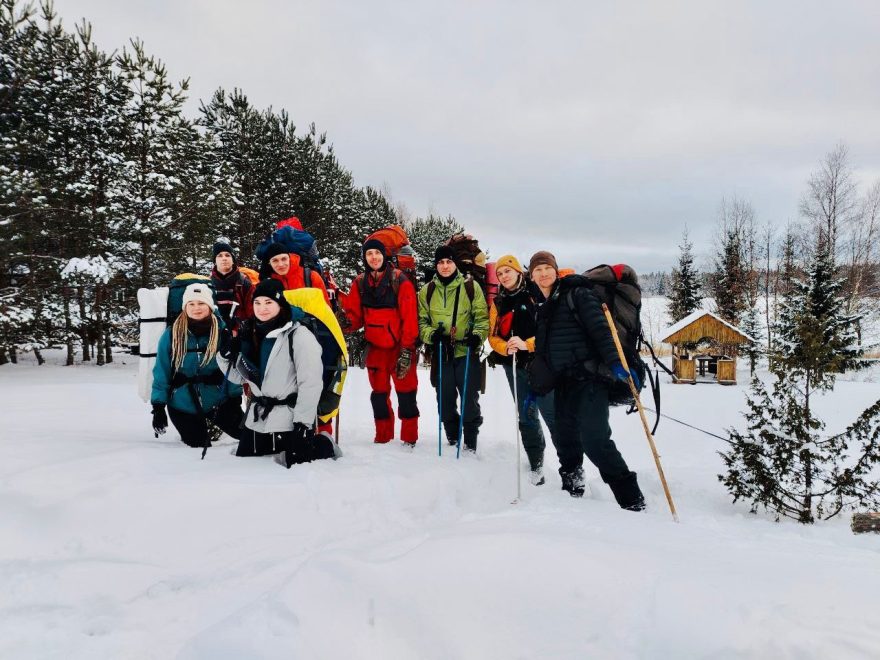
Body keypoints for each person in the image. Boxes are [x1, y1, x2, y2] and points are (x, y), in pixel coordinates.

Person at [529, 250, 646, 510]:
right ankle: (572, 490)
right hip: (564, 383)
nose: (543, 273)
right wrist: (535, 388)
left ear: (556, 270)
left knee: (595, 440)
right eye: (537, 270)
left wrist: (617, 363)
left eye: (547, 267)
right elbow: (544, 353)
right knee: (566, 439)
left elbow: (602, 332)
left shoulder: (578, 295)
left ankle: (632, 501)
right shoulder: (544, 307)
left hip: (591, 379)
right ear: (531, 275)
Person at [216, 278, 340, 466]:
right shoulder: (250, 334)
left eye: (268, 302)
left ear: (280, 304)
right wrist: (224, 356)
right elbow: (239, 378)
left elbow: (311, 383)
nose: (262, 308)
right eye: (257, 303)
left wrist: (303, 423)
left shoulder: (299, 335)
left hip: (289, 417)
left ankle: (324, 444)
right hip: (257, 417)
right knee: (245, 463)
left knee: (292, 464)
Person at [339, 238, 419, 445]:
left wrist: (407, 350)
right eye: (369, 254)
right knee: (379, 396)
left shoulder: (400, 280)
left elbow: (410, 318)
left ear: (384, 255)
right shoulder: (360, 283)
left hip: (400, 348)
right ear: (365, 258)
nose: (374, 257)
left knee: (407, 395)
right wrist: (344, 322)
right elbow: (355, 317)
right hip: (375, 349)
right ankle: (383, 438)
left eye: (377, 253)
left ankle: (409, 439)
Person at [488, 255, 555, 485]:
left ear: (518, 271)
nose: (504, 276)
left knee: (553, 415)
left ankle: (571, 466)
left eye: (508, 271)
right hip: (513, 365)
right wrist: (504, 347)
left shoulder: (537, 293)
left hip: (541, 364)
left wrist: (529, 344)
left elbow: (552, 330)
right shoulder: (498, 302)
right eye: (500, 273)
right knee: (526, 416)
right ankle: (536, 463)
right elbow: (493, 335)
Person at [150, 284, 243, 448]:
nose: (196, 308)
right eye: (191, 304)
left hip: (219, 400)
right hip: (183, 404)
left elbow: (232, 368)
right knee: (198, 445)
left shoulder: (222, 333)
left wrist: (235, 398)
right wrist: (158, 407)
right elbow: (161, 371)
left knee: (249, 436)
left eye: (201, 303)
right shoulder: (172, 334)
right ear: (185, 307)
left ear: (209, 306)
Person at [418, 246, 489, 452]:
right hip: (442, 353)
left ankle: (470, 441)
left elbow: (482, 318)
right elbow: (421, 322)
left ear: (455, 263)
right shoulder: (427, 291)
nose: (445, 266)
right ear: (436, 265)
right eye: (441, 262)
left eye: (448, 261)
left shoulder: (470, 287)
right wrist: (432, 335)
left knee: (469, 400)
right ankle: (452, 435)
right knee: (444, 399)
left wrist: (477, 336)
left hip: (466, 351)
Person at [259, 241, 330, 306]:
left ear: (289, 258)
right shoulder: (268, 282)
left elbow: (326, 308)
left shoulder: (310, 276)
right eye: (275, 261)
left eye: (284, 259)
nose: (280, 264)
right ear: (269, 263)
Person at [209, 238, 254, 327]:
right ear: (215, 260)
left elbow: (252, 312)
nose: (224, 258)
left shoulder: (244, 282)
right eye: (220, 256)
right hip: (215, 331)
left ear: (233, 260)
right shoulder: (208, 284)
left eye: (227, 255)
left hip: (240, 332)